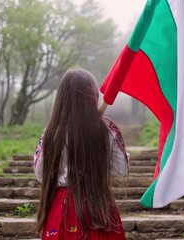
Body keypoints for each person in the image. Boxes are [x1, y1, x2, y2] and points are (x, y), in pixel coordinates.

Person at [33, 69, 129, 240]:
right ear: (92, 95)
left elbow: (40, 174)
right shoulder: (107, 129)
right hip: (98, 207)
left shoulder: (51, 132)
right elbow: (122, 168)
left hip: (62, 207)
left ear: (62, 98)